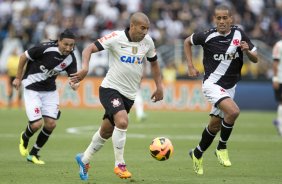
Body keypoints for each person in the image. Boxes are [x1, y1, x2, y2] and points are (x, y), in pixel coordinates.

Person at [70, 12, 163, 181]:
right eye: (142, 28)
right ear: (132, 26)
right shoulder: (116, 37)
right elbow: (88, 48)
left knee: (106, 131)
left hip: (129, 94)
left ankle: (84, 159)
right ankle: (120, 164)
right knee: (122, 121)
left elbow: (154, 64)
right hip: (110, 89)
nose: (145, 32)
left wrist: (159, 86)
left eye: (147, 29)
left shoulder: (147, 42)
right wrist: (84, 68)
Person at [183, 4, 258, 175]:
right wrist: (190, 66)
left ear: (231, 19)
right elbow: (187, 41)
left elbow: (255, 59)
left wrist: (248, 52)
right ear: (214, 19)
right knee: (233, 112)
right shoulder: (207, 36)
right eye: (219, 18)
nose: (222, 21)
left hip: (230, 87)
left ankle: (197, 153)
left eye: (225, 18)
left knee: (214, 125)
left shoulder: (239, 34)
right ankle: (221, 147)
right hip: (212, 84)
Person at [13, 29, 79, 165]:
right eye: (65, 44)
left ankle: (33, 154)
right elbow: (23, 57)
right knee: (37, 124)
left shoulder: (71, 58)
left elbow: (73, 76)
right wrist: (18, 78)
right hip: (32, 87)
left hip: (49, 91)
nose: (68, 48)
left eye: (71, 45)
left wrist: (74, 84)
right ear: (59, 41)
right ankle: (24, 137)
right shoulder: (45, 48)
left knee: (51, 124)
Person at [272, 39, 282, 136]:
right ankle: (280, 125)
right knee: (281, 102)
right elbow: (275, 62)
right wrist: (275, 78)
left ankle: (279, 121)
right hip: (280, 79)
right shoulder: (278, 45)